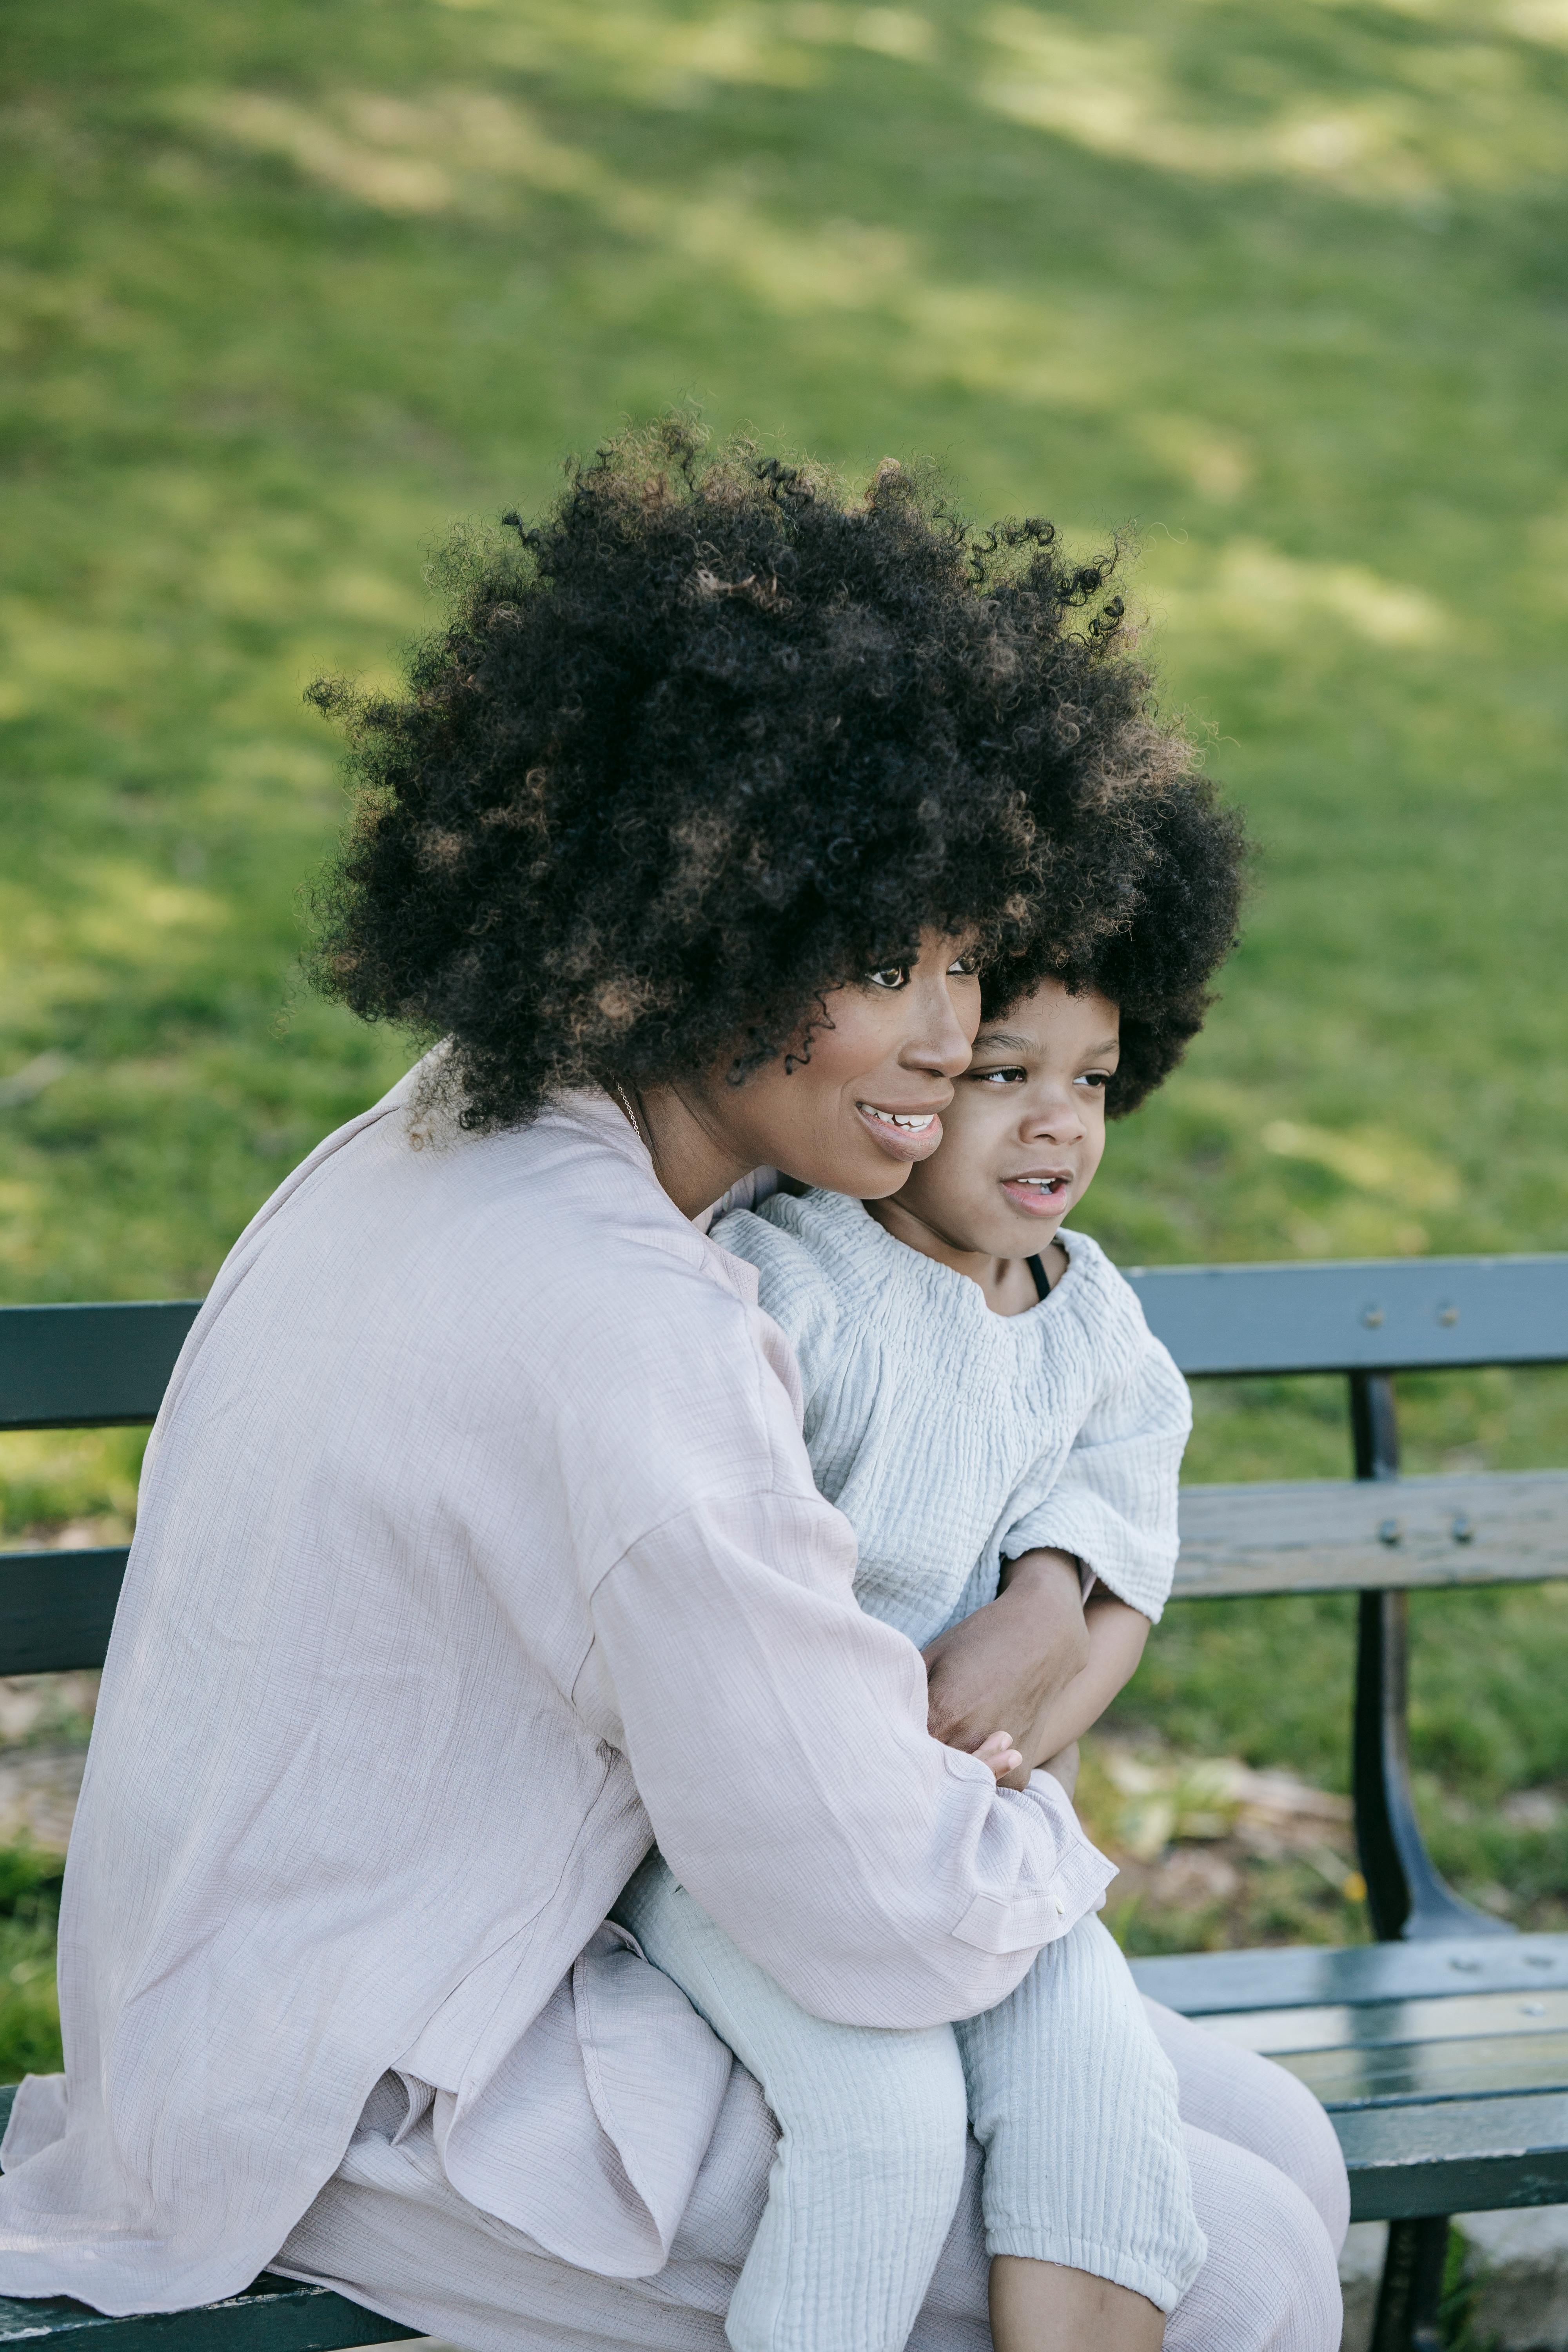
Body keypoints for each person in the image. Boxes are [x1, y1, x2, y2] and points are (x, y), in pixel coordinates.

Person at [0, 426, 1348, 2352]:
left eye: (965, 957)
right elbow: (861, 1891)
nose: (950, 1042)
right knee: (1238, 2258)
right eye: (883, 959)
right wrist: (1039, 1790)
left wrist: (1061, 1603)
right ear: (695, 913)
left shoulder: (467, 1131)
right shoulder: (632, 1312)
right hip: (395, 2068)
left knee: (1270, 2137)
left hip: (408, 1960)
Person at [621, 784, 1243, 2352]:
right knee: (877, 2125)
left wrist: (1034, 1636)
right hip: (732, 1834)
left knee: (1099, 2097)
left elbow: (1115, 1582)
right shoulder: (789, 1284)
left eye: (1093, 1082)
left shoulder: (1095, 1324)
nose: (1060, 1123)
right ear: (906, 1098)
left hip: (971, 1820)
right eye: (1002, 1077)